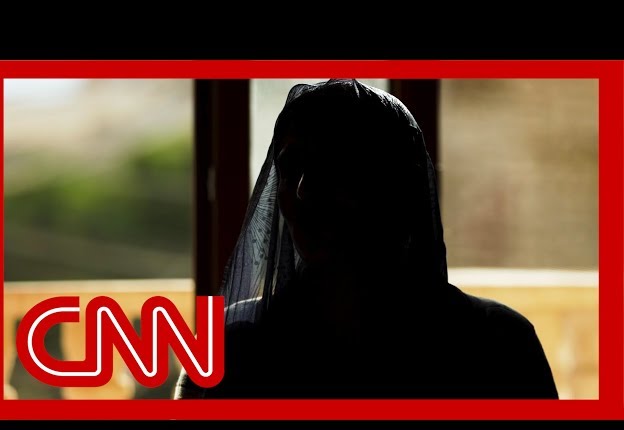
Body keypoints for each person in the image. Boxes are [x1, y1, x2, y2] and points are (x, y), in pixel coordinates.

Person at [174, 79, 559, 399]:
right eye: (291, 168)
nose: (305, 190)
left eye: (334, 167)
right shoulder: (227, 347)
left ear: (395, 189)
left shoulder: (497, 347)